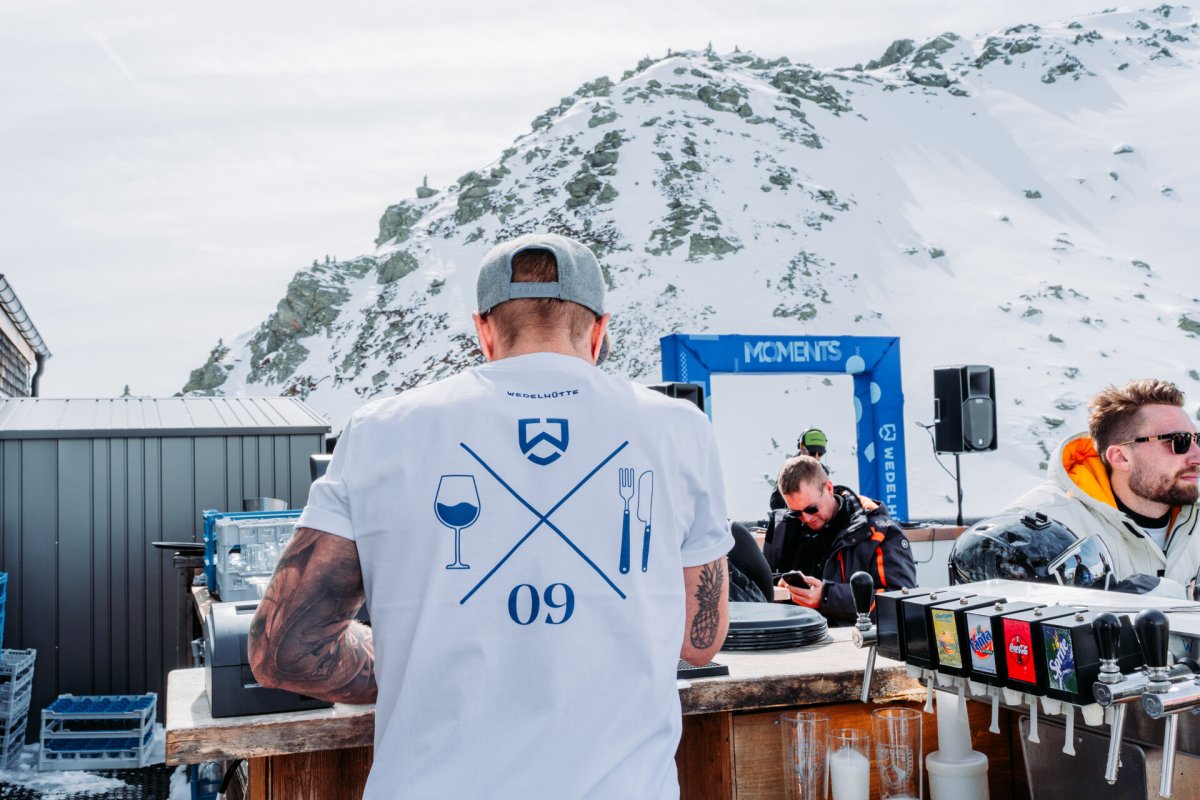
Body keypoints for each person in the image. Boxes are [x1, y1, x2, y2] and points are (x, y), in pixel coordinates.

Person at [246, 233, 732, 798]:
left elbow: (283, 650)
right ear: (599, 331)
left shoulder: (380, 430)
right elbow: (700, 641)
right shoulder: (679, 429)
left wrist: (417, 650)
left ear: (484, 331)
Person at [1005, 378, 1200, 597]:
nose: (1196, 457)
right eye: (1179, 442)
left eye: (1197, 440)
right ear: (1121, 457)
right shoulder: (1041, 529)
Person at [764, 455, 916, 625]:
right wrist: (781, 584)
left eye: (811, 509)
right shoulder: (784, 528)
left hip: (854, 644)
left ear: (829, 488)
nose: (806, 518)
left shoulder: (880, 532)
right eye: (796, 513)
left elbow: (901, 602)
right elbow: (764, 582)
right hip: (796, 639)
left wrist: (827, 596)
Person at [768, 428, 830, 510]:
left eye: (820, 454)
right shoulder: (789, 470)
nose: (816, 457)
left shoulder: (823, 471)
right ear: (801, 448)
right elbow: (775, 503)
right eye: (812, 453)